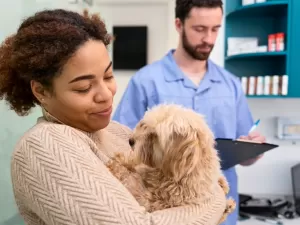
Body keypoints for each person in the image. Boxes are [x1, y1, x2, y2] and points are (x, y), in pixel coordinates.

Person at [0, 9, 228, 225]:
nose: (106, 94)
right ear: (41, 91)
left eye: (108, 76)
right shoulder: (43, 146)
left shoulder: (116, 131)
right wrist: (215, 200)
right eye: (84, 87)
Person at [113, 0, 266, 224]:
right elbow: (119, 142)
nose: (209, 39)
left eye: (215, 29)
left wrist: (254, 150)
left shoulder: (231, 85)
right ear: (179, 24)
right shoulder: (146, 81)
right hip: (164, 210)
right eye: (199, 29)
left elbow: (245, 154)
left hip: (220, 210)